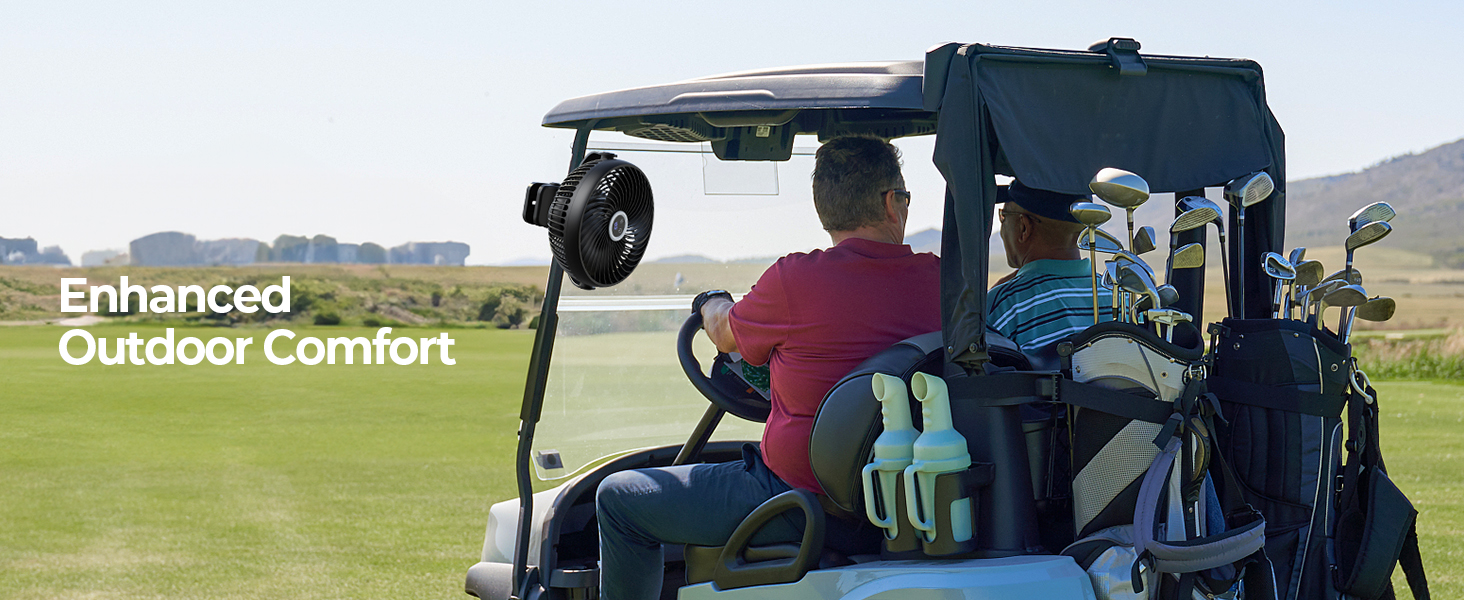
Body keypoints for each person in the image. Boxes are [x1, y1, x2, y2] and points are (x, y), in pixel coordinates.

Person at [595, 136, 940, 600]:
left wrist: (711, 301)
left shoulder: (795, 280)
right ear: (891, 202)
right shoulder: (943, 281)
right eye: (906, 198)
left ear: (824, 208)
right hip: (906, 500)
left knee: (617, 498)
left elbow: (724, 334)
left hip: (795, 501)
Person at [987, 180, 1113, 351]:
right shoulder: (1123, 297)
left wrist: (997, 298)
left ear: (1023, 227)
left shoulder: (1002, 307)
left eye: (1004, 216)